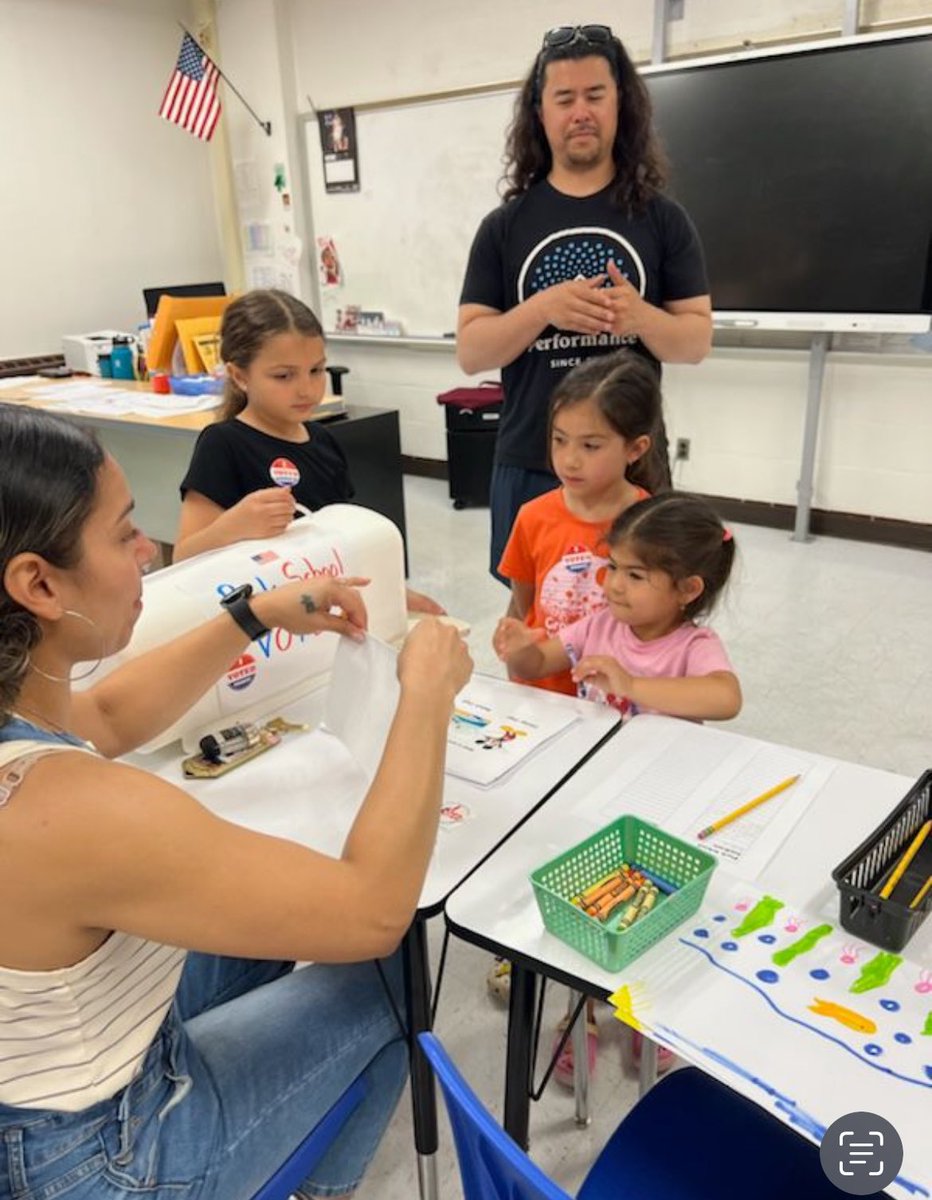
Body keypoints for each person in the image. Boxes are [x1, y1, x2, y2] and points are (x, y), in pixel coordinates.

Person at [0, 407, 472, 1200]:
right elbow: (372, 912)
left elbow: (107, 716)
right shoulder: (68, 806)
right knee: (392, 970)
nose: (148, 549)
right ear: (38, 583)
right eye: (123, 533)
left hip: (35, 1089)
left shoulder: (25, 727)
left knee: (274, 932)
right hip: (99, 1159)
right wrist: (425, 693)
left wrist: (253, 614)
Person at [492, 492, 741, 1078]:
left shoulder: (694, 646)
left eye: (635, 574)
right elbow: (539, 663)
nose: (613, 585)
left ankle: (640, 1010)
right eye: (612, 567)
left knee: (647, 909)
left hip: (659, 804)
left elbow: (725, 697)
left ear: (687, 590)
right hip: (593, 793)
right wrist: (520, 651)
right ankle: (580, 1013)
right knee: (590, 907)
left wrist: (632, 684)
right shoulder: (600, 624)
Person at [457, 24, 712, 579]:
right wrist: (541, 309)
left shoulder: (663, 219)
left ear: (621, 104)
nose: (581, 113)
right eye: (564, 98)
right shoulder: (503, 228)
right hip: (532, 459)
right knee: (531, 613)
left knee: (641, 607)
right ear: (540, 112)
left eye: (595, 95)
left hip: (631, 463)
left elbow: (695, 342)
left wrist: (639, 316)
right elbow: (472, 352)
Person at [174, 288, 442, 614]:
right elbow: (183, 559)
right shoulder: (223, 444)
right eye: (283, 376)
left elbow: (343, 542)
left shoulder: (323, 440)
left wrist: (394, 591)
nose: (306, 389)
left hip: (328, 611)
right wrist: (234, 525)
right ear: (239, 376)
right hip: (269, 623)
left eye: (316, 370)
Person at [497, 350, 664, 698]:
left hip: (614, 694)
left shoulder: (651, 523)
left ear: (635, 449)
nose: (569, 460)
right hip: (543, 690)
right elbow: (524, 605)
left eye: (590, 446)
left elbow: (659, 619)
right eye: (559, 440)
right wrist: (515, 648)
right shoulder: (533, 516)